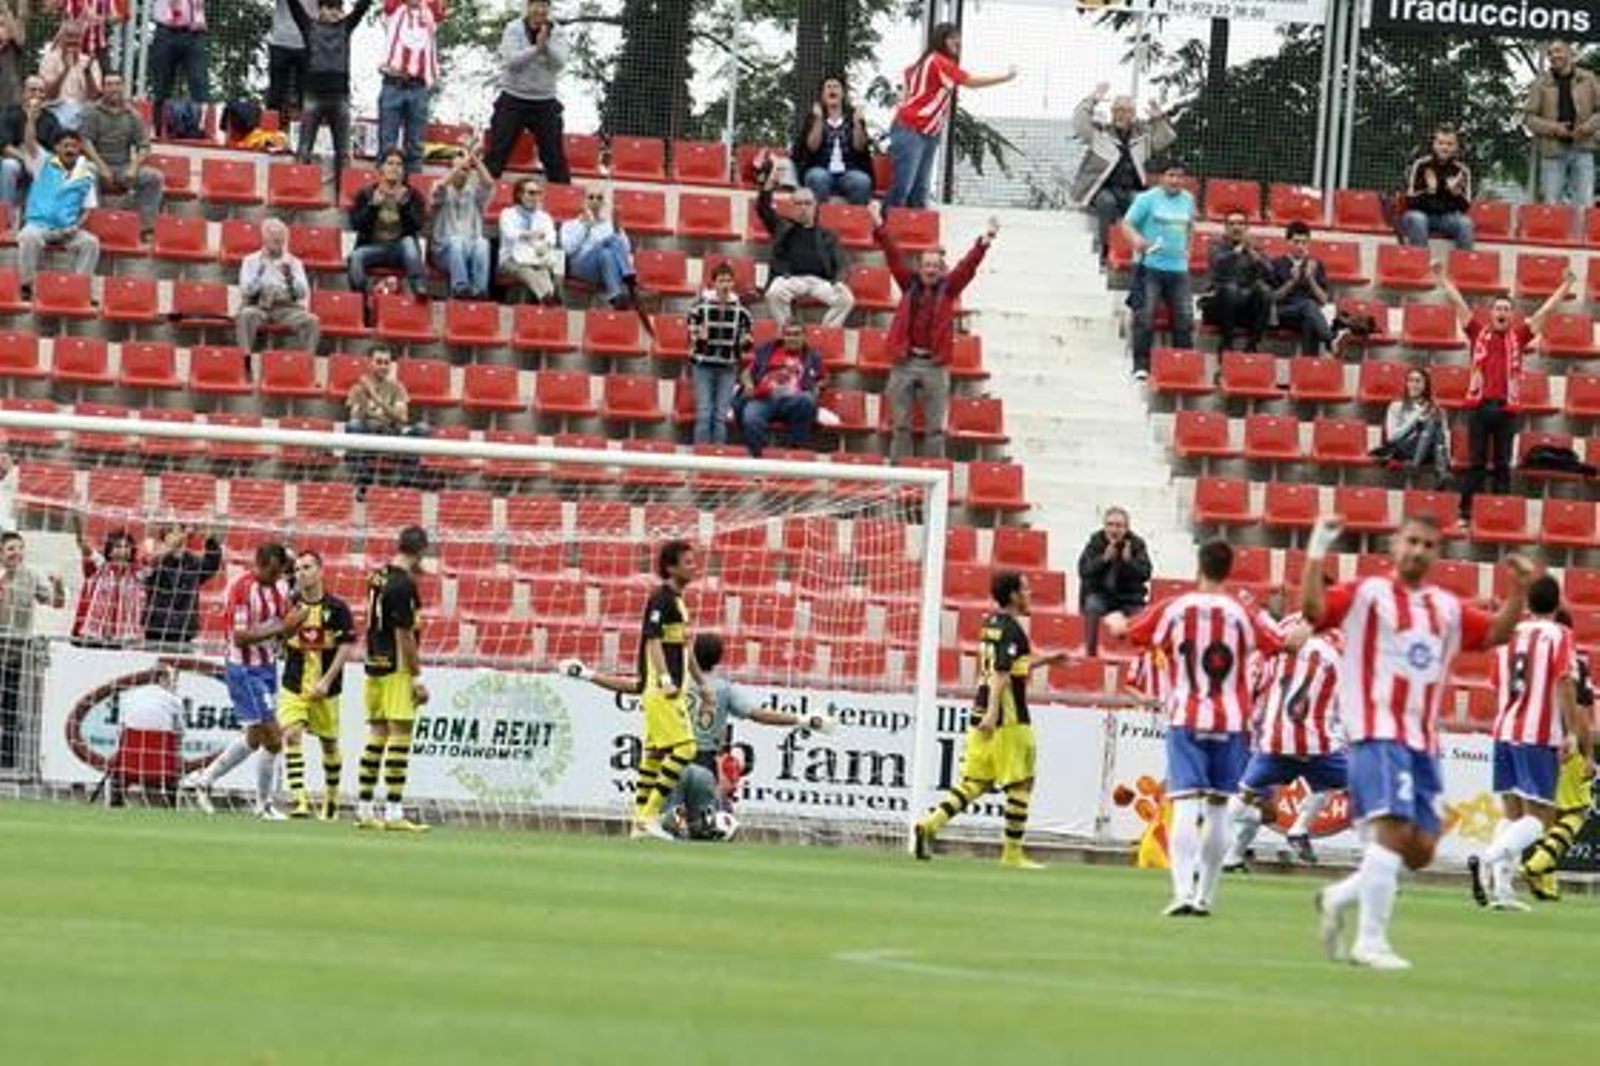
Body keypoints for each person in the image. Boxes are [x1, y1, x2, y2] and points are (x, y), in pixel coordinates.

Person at [1303, 513, 1530, 969]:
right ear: (1394, 545)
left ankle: (1337, 897)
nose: (1418, 551)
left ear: (1437, 553)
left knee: (1422, 849)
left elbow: (1496, 633)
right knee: (1393, 831)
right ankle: (1370, 942)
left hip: (1422, 741)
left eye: (1428, 544)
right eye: (1411, 541)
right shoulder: (1367, 594)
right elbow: (1313, 612)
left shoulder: (1445, 607)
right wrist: (1315, 552)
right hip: (1376, 732)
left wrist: (1519, 590)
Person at [1112, 539, 1283, 917]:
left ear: (1199, 567)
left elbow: (1130, 632)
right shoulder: (1242, 613)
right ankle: (1205, 896)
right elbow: (1277, 643)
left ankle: (1182, 893)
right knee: (1219, 809)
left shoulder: (1176, 608)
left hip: (1186, 718)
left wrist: (1114, 622)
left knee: (1187, 805)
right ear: (1229, 569)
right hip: (1232, 721)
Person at [562, 633, 836, 841]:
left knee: (663, 828)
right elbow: (757, 714)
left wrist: (587, 674)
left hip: (673, 763)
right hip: (705, 766)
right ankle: (707, 828)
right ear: (718, 659)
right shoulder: (724, 689)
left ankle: (673, 825)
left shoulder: (674, 679)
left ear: (691, 653)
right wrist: (801, 720)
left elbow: (631, 686)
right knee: (703, 831)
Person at [914, 570, 1069, 868]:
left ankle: (930, 824)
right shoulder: (1011, 629)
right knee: (1022, 783)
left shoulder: (991, 624)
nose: (1030, 594)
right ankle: (1012, 854)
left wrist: (1049, 660)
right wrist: (994, 713)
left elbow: (1013, 664)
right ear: (1013, 595)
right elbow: (1001, 673)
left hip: (981, 712)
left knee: (976, 782)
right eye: (1025, 589)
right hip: (1008, 720)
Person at [1470, 576, 1593, 911]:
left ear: (1527, 603)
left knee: (1511, 814)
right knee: (1538, 819)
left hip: (1503, 730)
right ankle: (1487, 859)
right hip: (1537, 735)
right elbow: (1564, 682)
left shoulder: (1509, 634)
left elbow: (1496, 684)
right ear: (1557, 602)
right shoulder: (1559, 634)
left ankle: (1501, 890)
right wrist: (1570, 732)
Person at [1433, 260, 1575, 524]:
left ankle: (1501, 516)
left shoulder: (1519, 336)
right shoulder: (1477, 332)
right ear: (1491, 313)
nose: (1502, 312)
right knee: (1476, 464)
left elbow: (1546, 310)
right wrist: (1441, 277)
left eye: (1507, 309)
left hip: (1507, 411)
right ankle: (1465, 513)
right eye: (1498, 308)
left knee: (1502, 465)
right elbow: (1458, 303)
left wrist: (1567, 285)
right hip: (1479, 407)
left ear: (1512, 316)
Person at [870, 199, 996, 459]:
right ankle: (900, 471)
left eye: (935, 266)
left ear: (942, 269)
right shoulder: (908, 284)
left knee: (936, 428)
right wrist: (879, 224)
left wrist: (985, 241)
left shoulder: (949, 289)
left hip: (935, 365)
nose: (930, 270)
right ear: (920, 267)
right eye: (927, 265)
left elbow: (967, 266)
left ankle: (932, 472)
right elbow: (893, 255)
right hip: (905, 361)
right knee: (900, 426)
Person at [1224, 612, 1346, 871]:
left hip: (1271, 737)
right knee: (1264, 809)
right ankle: (1221, 842)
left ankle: (1225, 852)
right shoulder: (1330, 648)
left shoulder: (1275, 645)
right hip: (1260, 737)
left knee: (1258, 805)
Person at [188, 542, 297, 820]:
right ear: (260, 564)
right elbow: (240, 637)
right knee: (274, 739)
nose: (276, 576)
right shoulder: (241, 588)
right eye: (272, 571)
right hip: (245, 669)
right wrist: (281, 627)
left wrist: (294, 623)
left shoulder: (279, 587)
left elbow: (283, 624)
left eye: (280, 572)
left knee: (254, 737)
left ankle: (204, 780)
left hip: (268, 667)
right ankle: (263, 805)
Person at [631, 539, 715, 840]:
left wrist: (702, 685)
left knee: (654, 755)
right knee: (686, 749)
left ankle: (637, 824)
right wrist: (665, 679)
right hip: (661, 690)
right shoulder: (661, 599)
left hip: (672, 689)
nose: (694, 567)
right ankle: (649, 816)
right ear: (671, 567)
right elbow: (652, 639)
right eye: (688, 562)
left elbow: (684, 649)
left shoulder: (678, 601)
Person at [884, 21, 1015, 210]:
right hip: (912, 129)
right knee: (904, 186)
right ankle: (884, 221)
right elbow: (970, 81)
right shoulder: (940, 62)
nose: (958, 42)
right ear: (941, 40)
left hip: (925, 132)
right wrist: (1006, 77)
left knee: (919, 189)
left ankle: (911, 226)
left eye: (958, 38)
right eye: (952, 38)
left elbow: (905, 88)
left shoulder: (923, 63)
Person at [356, 525, 431, 831]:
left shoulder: (378, 575)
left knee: (377, 734)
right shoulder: (403, 584)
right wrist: (417, 678)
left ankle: (364, 809)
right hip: (396, 665)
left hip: (374, 661)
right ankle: (394, 811)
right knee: (400, 734)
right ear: (421, 551)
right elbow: (405, 635)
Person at [1520, 610, 1595, 901]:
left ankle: (1546, 884)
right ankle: (1536, 865)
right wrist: (1588, 755)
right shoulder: (1574, 662)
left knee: (1546, 815)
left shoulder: (1529, 657)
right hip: (1565, 743)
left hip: (1531, 742)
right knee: (1578, 811)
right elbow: (1581, 713)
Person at [278, 550, 358, 821]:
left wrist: (326, 680)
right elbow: (278, 637)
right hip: (294, 683)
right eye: (297, 569)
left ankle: (331, 801)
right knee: (292, 734)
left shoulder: (337, 608)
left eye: (307, 567)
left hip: (326, 688)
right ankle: (299, 801)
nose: (301, 573)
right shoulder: (289, 605)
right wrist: (284, 633)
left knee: (329, 745)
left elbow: (346, 645)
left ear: (320, 571)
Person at [1071, 81, 1175, 266]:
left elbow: (1166, 138)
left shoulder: (1141, 137)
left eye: (1126, 110)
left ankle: (1140, 253)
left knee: (1141, 203)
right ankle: (1105, 250)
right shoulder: (1100, 133)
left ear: (1133, 114)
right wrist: (1093, 99)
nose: (1121, 114)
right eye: (1117, 109)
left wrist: (1158, 119)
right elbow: (1079, 123)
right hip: (1101, 188)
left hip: (1130, 189)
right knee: (1107, 203)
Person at [290, 0, 378, 192]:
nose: (335, 12)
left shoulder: (345, 27)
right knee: (304, 149)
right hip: (313, 97)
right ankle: (297, 193)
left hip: (340, 99)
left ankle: (343, 198)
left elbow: (362, 8)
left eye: (339, 9)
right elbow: (294, 6)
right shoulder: (308, 26)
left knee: (344, 154)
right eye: (330, 8)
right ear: (320, 9)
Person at [756, 160, 853, 328]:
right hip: (790, 278)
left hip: (819, 281)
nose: (803, 208)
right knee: (773, 293)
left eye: (807, 203)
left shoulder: (827, 235)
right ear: (792, 207)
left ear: (815, 206)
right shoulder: (782, 226)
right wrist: (769, 186)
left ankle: (826, 332)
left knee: (846, 299)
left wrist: (839, 281)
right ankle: (788, 331)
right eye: (798, 203)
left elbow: (842, 262)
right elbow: (763, 209)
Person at [1122, 162, 1196, 381]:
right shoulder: (1147, 199)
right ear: (1161, 177)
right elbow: (1127, 224)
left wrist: (1188, 251)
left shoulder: (1188, 199)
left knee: (1184, 319)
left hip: (1179, 270)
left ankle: (1182, 367)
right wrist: (1138, 241)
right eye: (1171, 175)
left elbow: (1190, 226)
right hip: (1150, 268)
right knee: (1145, 316)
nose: (1175, 180)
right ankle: (1141, 366)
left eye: (1180, 176)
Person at [0, 531, 64, 773]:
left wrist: (58, 584)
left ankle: (7, 765)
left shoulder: (31, 576)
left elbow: (57, 603)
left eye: (20, 548)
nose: (17, 553)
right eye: (11, 549)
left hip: (17, 657)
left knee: (11, 712)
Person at [483, 0, 569, 182]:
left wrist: (546, 47)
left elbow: (559, 63)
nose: (540, 10)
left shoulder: (557, 32)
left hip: (545, 101)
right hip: (513, 98)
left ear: (549, 8)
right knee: (497, 151)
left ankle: (563, 195)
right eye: (536, 5)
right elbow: (511, 62)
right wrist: (536, 49)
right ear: (528, 7)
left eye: (544, 6)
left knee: (554, 156)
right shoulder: (513, 28)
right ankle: (484, 193)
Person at [75, 71, 162, 239]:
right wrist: (102, 167)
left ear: (122, 87)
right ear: (103, 88)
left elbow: (144, 146)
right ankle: (94, 224)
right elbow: (84, 141)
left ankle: (145, 228)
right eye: (109, 84)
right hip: (96, 163)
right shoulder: (91, 111)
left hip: (123, 166)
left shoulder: (133, 114)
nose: (113, 88)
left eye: (117, 84)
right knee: (88, 172)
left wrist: (133, 168)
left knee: (154, 178)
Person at [15, 122, 97, 296]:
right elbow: (30, 142)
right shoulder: (42, 163)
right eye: (66, 146)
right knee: (28, 237)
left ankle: (79, 289)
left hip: (67, 230)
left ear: (79, 149)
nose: (70, 150)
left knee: (90, 242)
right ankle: (26, 286)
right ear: (56, 147)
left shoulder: (86, 174)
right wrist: (31, 118)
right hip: (39, 226)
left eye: (74, 146)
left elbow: (88, 209)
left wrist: (75, 226)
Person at [1524, 40, 1599, 210]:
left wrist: (1588, 126)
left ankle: (1580, 230)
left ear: (1570, 53)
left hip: (1583, 148)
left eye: (1558, 51)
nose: (1553, 56)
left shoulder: (1588, 78)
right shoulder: (1540, 83)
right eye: (1550, 53)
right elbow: (1529, 118)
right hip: (1552, 152)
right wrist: (1554, 128)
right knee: (1551, 206)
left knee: (1585, 205)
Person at [687, 260, 752, 446]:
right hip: (703, 365)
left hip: (728, 367)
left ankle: (718, 453)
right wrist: (699, 337)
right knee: (704, 413)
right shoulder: (699, 308)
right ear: (713, 283)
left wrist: (744, 342)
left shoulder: (743, 312)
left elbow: (748, 344)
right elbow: (692, 338)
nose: (725, 284)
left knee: (720, 416)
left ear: (733, 283)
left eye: (728, 280)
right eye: (721, 280)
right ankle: (701, 454)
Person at [346, 345, 427, 494]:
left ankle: (405, 483)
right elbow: (355, 420)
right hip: (368, 435)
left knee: (422, 428)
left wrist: (376, 398)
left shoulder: (397, 387)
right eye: (379, 362)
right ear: (369, 363)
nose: (383, 366)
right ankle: (363, 480)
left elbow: (402, 418)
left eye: (386, 362)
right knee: (353, 425)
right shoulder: (358, 388)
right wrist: (365, 397)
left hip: (392, 433)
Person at [377, 0, 444, 177]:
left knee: (415, 145)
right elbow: (388, 5)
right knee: (387, 144)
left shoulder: (430, 14)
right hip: (393, 83)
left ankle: (413, 186)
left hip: (418, 87)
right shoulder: (394, 11)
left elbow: (439, 8)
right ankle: (381, 186)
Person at [739, 319, 825, 457]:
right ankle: (758, 458)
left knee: (807, 400)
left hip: (793, 400)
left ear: (804, 337)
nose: (792, 338)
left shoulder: (812, 356)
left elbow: (822, 379)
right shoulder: (768, 350)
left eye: (796, 334)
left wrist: (817, 388)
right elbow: (746, 373)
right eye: (788, 334)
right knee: (751, 417)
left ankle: (795, 452)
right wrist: (749, 385)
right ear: (783, 336)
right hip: (764, 399)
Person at [348, 148, 427, 297]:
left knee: (409, 243)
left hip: (400, 248)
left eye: (399, 164)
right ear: (382, 168)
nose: (394, 168)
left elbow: (417, 225)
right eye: (390, 163)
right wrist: (373, 206)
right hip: (374, 247)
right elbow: (356, 224)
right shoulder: (366, 193)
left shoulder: (413, 195)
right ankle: (361, 296)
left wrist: (403, 206)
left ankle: (419, 286)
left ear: (404, 170)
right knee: (356, 256)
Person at [237, 217, 320, 354]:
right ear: (264, 239)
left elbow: (303, 292)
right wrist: (258, 275)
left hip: (286, 307)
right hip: (258, 305)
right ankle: (245, 358)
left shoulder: (293, 262)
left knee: (312, 321)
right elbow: (245, 291)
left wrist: (290, 278)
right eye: (274, 239)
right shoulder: (250, 260)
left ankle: (307, 360)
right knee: (245, 315)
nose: (278, 243)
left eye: (280, 239)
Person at [1077, 507, 1151, 658]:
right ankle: (1090, 655)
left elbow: (1145, 574)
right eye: (1110, 525)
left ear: (1126, 528)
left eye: (1119, 526)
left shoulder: (1137, 544)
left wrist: (1128, 562)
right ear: (1104, 526)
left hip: (1129, 598)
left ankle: (1139, 658)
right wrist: (1103, 560)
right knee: (1092, 606)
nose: (1114, 530)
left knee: (1142, 616)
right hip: (1100, 595)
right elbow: (1084, 571)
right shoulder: (1095, 542)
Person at [792, 74, 874, 206]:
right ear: (822, 95)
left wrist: (858, 124)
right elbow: (812, 147)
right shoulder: (814, 117)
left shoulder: (852, 117)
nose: (832, 89)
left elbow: (860, 147)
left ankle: (856, 217)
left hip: (849, 172)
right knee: (817, 177)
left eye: (836, 86)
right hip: (820, 169)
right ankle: (818, 216)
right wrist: (818, 120)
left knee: (862, 181)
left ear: (843, 93)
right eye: (828, 87)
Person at [1269, 221, 1346, 356]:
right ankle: (1330, 340)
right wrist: (1292, 282)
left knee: (1310, 320)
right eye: (1296, 242)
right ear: (1288, 242)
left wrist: (1311, 279)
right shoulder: (1276, 263)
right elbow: (1272, 298)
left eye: (1304, 242)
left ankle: (1309, 364)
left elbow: (1323, 299)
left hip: (1308, 314)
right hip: (1283, 313)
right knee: (1309, 305)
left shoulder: (1316, 264)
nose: (1300, 246)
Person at [142, 522, 223, 647]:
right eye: (173, 533)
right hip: (156, 626)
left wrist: (210, 539)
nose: (177, 537)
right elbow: (149, 564)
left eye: (178, 532)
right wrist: (181, 537)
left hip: (184, 628)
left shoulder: (193, 562)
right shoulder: (155, 559)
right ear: (164, 538)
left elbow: (212, 564)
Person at [1202, 210, 1272, 353]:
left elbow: (1270, 272)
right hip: (1219, 304)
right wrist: (1236, 251)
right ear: (1226, 228)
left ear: (1246, 227)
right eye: (1232, 224)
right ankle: (1226, 342)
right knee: (1231, 289)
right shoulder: (1216, 243)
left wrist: (1253, 253)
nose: (1236, 227)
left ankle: (1252, 344)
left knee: (1264, 291)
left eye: (1240, 223)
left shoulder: (1254, 246)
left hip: (1245, 305)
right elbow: (1217, 263)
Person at [430, 147, 493, 299]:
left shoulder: (474, 193)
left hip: (470, 249)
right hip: (443, 252)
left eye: (466, 169)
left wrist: (475, 160)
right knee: (456, 241)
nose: (462, 171)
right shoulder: (442, 187)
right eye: (458, 168)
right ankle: (460, 289)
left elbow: (489, 184)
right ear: (451, 170)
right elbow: (441, 187)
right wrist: (459, 165)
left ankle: (479, 291)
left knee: (483, 243)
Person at [1399, 124, 1474, 250]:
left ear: (1456, 147)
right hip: (1420, 214)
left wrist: (1455, 193)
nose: (1445, 147)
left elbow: (1465, 207)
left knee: (1465, 223)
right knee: (1418, 219)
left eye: (1449, 144)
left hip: (1447, 217)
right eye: (1441, 143)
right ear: (1434, 145)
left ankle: (1463, 262)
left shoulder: (1462, 170)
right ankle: (1420, 261)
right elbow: (1410, 202)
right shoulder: (1420, 165)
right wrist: (1430, 190)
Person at [559, 187, 636, 308]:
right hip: (581, 268)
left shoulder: (610, 224)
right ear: (583, 202)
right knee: (610, 242)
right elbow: (568, 249)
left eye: (599, 198)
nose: (595, 201)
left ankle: (616, 297)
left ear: (603, 203)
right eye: (591, 197)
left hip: (606, 268)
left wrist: (617, 230)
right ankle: (628, 276)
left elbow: (625, 250)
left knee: (606, 254)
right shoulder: (570, 224)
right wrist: (585, 227)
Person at [1372, 366, 1450, 483]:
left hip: (1428, 450)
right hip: (1403, 447)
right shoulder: (1396, 406)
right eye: (1410, 380)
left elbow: (1442, 437)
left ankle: (1417, 466)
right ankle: (1440, 472)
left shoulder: (1435, 407)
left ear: (1425, 385)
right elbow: (1392, 437)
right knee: (1431, 422)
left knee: (1433, 423)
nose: (1414, 384)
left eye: (1418, 381)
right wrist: (1415, 417)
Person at [70, 525, 145, 648]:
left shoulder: (137, 573)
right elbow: (88, 552)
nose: (123, 550)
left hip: (124, 637)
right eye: (118, 546)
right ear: (109, 549)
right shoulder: (99, 566)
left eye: (126, 546)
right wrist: (83, 544)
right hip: (93, 635)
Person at [145, 0, 208, 138]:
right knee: (161, 86)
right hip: (165, 31)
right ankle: (158, 131)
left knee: (199, 81)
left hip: (194, 33)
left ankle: (199, 129)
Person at [0, 76, 62, 209]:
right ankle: (6, 212)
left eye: (41, 91)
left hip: (43, 163)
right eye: (33, 90)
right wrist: (26, 159)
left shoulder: (51, 119)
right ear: (24, 93)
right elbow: (5, 146)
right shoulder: (10, 114)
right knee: (8, 166)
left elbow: (57, 148)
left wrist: (38, 161)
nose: (37, 94)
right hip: (18, 160)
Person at [496, 175, 560, 303]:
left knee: (545, 271)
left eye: (538, 193)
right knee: (527, 271)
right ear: (520, 195)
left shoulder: (544, 216)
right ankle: (547, 297)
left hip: (536, 257)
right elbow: (510, 234)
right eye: (531, 193)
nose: (535, 196)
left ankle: (549, 299)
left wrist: (546, 244)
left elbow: (551, 236)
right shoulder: (507, 213)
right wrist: (530, 234)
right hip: (511, 259)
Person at [38, 19, 99, 129]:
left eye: (77, 37)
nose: (73, 41)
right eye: (69, 36)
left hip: (82, 112)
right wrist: (65, 71)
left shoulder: (89, 62)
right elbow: (48, 96)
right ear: (61, 39)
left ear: (81, 39)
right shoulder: (48, 59)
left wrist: (87, 73)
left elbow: (94, 97)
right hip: (54, 110)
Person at [267, 0, 314, 119]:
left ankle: (306, 128)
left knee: (307, 96)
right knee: (275, 95)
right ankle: (272, 127)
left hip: (309, 42)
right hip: (280, 41)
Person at [0, 2, 27, 115]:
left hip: (11, 106)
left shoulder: (13, 47)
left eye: (2, 25)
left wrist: (5, 8)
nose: (1, 29)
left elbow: (20, 36)